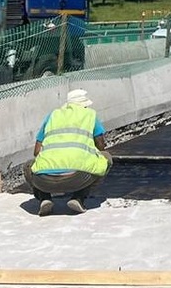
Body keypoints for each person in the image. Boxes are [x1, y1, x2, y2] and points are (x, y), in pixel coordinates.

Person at [24, 88, 112, 216]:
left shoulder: (52, 115)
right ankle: (79, 197)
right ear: (84, 105)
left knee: (27, 166)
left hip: (43, 181)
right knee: (105, 158)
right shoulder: (90, 115)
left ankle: (45, 198)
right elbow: (100, 146)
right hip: (77, 177)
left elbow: (37, 151)